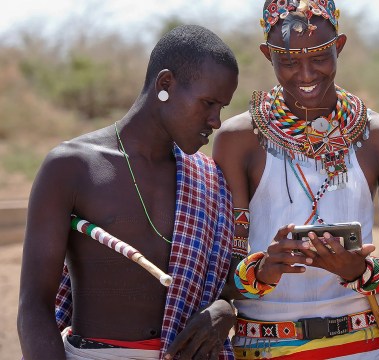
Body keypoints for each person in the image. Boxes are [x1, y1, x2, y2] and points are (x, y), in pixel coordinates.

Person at [17, 25, 239, 360]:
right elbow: (33, 306)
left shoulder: (209, 179)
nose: (216, 120)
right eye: (208, 103)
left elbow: (227, 275)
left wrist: (224, 309)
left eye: (221, 107)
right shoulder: (72, 167)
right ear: (165, 85)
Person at [212, 0, 379, 358]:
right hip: (264, 345)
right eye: (288, 62)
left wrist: (360, 271)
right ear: (267, 55)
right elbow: (222, 278)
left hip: (361, 344)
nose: (305, 75)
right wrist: (259, 272)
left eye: (320, 57)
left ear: (339, 46)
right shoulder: (238, 140)